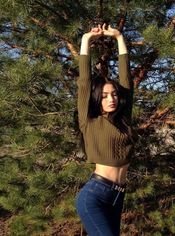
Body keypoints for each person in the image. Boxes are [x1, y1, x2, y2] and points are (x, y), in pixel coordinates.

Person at [75, 24, 134, 236]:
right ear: (97, 99)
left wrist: (119, 38)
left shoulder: (123, 120)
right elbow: (84, 83)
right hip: (95, 196)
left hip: (117, 195)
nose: (112, 99)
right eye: (105, 95)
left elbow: (127, 80)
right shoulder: (89, 121)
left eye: (115, 95)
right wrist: (86, 40)